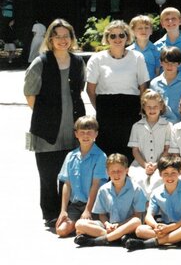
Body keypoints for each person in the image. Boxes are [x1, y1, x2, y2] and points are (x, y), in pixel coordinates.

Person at [24, 18, 87, 228]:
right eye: (57, 36)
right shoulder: (41, 62)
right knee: (48, 174)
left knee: (68, 174)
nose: (62, 40)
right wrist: (48, 115)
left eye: (66, 36)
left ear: (71, 38)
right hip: (46, 129)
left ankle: (66, 212)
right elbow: (30, 94)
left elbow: (78, 91)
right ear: (50, 38)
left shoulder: (78, 62)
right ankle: (50, 213)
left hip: (73, 127)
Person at [86, 20, 149, 158]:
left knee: (130, 148)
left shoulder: (137, 57)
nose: (117, 39)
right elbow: (90, 89)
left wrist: (140, 108)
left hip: (131, 109)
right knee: (107, 149)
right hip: (106, 109)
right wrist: (100, 108)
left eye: (121, 35)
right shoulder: (97, 59)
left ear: (127, 37)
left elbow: (143, 86)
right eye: (112, 36)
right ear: (107, 38)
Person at [127, 154, 181, 250]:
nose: (169, 177)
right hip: (164, 227)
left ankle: (151, 243)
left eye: (173, 173)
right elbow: (148, 216)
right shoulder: (156, 192)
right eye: (165, 173)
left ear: (180, 172)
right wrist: (156, 226)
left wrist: (171, 228)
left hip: (180, 225)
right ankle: (177, 239)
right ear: (160, 174)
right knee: (140, 230)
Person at [73, 152, 145, 247]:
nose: (116, 174)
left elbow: (138, 215)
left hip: (127, 225)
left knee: (136, 221)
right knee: (79, 224)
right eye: (112, 171)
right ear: (107, 173)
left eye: (119, 171)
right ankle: (116, 237)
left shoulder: (136, 189)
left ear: (127, 171)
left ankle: (99, 239)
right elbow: (102, 215)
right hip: (109, 226)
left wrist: (119, 225)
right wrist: (107, 224)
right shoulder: (103, 189)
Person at [54, 116, 108, 238]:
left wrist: (88, 210)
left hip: (93, 205)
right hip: (75, 205)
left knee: (81, 225)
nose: (85, 136)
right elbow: (67, 184)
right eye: (82, 132)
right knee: (61, 231)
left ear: (96, 134)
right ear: (76, 134)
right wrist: (63, 210)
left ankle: (90, 228)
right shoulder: (70, 156)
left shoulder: (100, 156)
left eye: (89, 132)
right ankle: (82, 228)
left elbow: (95, 186)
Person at [127, 90, 171, 194]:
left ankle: (154, 208)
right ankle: (141, 208)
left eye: (155, 106)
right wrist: (145, 165)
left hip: (161, 164)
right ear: (143, 107)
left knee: (158, 180)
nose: (152, 110)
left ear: (161, 107)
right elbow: (135, 150)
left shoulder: (167, 126)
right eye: (149, 107)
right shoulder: (137, 126)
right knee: (139, 180)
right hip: (140, 164)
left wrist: (157, 165)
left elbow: (167, 149)